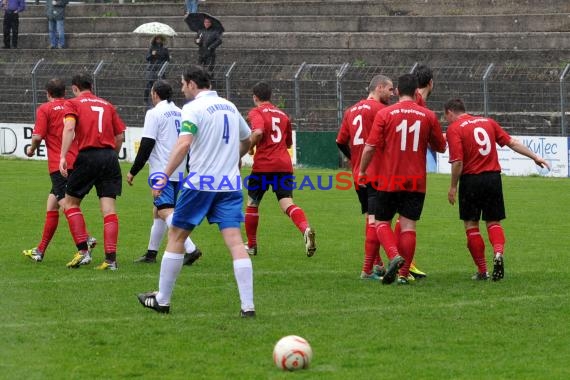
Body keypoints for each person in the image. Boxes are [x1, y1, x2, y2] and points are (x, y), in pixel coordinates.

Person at [137, 65, 254, 316]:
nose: (181, 89)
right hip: (229, 185)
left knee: (177, 236)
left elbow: (183, 144)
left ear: (191, 83)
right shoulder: (230, 106)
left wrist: (163, 176)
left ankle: (163, 300)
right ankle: (248, 306)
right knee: (235, 242)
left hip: (201, 183)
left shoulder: (192, 109)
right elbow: (248, 138)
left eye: (182, 84)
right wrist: (236, 157)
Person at [444, 98, 550, 281]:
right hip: (493, 178)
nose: (446, 121)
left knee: (471, 225)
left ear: (449, 113)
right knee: (494, 222)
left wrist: (453, 186)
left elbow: (458, 162)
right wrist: (535, 157)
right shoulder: (488, 122)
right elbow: (512, 142)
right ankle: (499, 253)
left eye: (445, 117)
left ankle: (483, 271)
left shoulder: (455, 128)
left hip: (471, 180)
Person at [359, 73, 447, 285]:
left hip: (390, 177)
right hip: (416, 180)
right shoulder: (428, 115)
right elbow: (441, 147)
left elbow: (370, 147)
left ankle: (393, 255)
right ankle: (403, 274)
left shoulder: (385, 114)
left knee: (381, 222)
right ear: (417, 92)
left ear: (397, 91)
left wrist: (362, 170)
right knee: (408, 226)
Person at [127, 79, 202, 266]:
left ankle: (191, 249)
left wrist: (133, 171)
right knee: (158, 211)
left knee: (165, 211)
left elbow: (146, 144)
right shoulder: (181, 112)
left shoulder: (154, 113)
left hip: (162, 171)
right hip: (179, 170)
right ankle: (151, 254)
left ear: (155, 94)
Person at [59, 72, 126, 270]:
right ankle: (111, 260)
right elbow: (120, 136)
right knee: (109, 209)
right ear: (91, 86)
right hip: (110, 157)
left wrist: (63, 156)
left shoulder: (73, 103)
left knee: (70, 203)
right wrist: (111, 155)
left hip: (88, 156)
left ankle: (83, 252)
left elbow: (69, 128)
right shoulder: (107, 105)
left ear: (74, 88)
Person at [244, 81, 316, 258]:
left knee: (252, 204)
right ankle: (305, 228)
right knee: (287, 203)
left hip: (263, 165)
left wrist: (247, 147)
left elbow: (258, 132)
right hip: (283, 165)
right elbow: (288, 143)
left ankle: (252, 245)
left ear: (255, 97)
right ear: (270, 96)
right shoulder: (283, 115)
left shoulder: (256, 112)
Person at [336, 74, 394, 279]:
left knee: (370, 217)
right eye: (389, 89)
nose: (392, 93)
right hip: (377, 173)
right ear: (379, 88)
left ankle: (377, 263)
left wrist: (355, 160)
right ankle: (367, 269)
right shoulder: (383, 110)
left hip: (358, 174)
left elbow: (340, 141)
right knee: (378, 220)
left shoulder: (350, 111)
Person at [23, 78, 83, 262]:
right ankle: (40, 250)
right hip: (78, 161)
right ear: (64, 92)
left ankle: (85, 239)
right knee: (52, 205)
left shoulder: (45, 109)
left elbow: (38, 135)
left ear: (48, 93)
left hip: (59, 164)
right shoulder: (72, 106)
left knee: (67, 204)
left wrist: (31, 149)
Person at [144, 35, 170, 108]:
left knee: (163, 84)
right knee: (150, 84)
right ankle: (146, 99)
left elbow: (167, 59)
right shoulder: (152, 48)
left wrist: (163, 64)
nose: (158, 40)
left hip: (161, 69)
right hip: (152, 69)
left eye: (160, 39)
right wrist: (152, 55)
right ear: (155, 39)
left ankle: (164, 99)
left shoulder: (165, 49)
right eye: (157, 39)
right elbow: (147, 58)